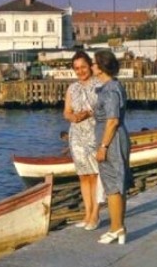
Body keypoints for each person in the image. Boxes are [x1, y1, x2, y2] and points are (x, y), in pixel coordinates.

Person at [92, 50, 132, 245]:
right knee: (116, 183)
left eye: (93, 64)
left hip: (112, 140)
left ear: (101, 67)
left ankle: (116, 228)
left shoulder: (110, 90)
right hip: (113, 139)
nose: (92, 67)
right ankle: (119, 228)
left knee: (113, 185)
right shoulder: (110, 87)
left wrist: (103, 146)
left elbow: (112, 120)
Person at [63, 51, 100, 231]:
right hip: (76, 134)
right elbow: (66, 111)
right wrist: (73, 117)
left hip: (94, 133)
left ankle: (95, 214)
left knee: (94, 175)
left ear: (90, 66)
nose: (80, 71)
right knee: (83, 175)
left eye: (83, 67)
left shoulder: (99, 85)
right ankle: (87, 214)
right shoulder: (72, 88)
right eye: (77, 68)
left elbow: (104, 108)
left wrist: (88, 113)